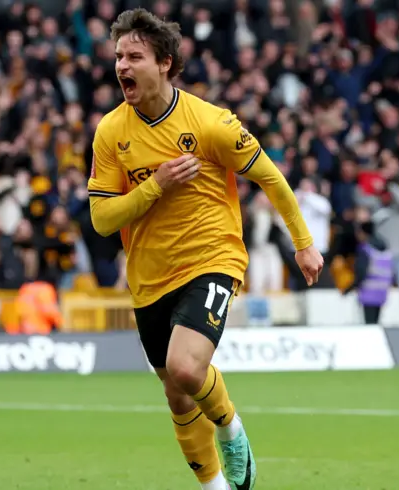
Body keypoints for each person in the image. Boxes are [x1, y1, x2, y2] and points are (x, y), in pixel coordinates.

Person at [88, 9, 324, 490]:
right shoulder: (112, 132)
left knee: (185, 367)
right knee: (176, 396)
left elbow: (269, 177)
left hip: (211, 259)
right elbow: (102, 219)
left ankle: (231, 428)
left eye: (134, 56)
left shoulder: (211, 124)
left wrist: (303, 244)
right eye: (118, 56)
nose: (122, 67)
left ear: (165, 64)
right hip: (149, 276)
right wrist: (155, 186)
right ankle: (215, 488)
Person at [343, 220, 394, 324]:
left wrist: (349, 288)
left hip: (368, 293)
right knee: (376, 322)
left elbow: (361, 272)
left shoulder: (365, 249)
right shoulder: (385, 249)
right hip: (382, 292)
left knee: (369, 324)